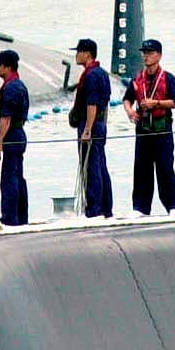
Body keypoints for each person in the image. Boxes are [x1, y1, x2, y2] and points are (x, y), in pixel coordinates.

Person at [123, 37, 175, 215]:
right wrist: (130, 111)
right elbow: (127, 98)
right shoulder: (137, 79)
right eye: (144, 53)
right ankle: (140, 208)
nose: (145, 56)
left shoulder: (168, 78)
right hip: (143, 130)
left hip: (162, 130)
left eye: (149, 53)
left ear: (159, 55)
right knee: (141, 170)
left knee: (165, 168)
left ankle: (173, 206)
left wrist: (156, 103)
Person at [69, 38, 114, 218]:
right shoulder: (102, 73)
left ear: (87, 54)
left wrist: (87, 130)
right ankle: (106, 207)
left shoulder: (91, 75)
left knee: (90, 167)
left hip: (91, 124)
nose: (76, 55)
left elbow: (92, 104)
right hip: (100, 123)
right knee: (100, 165)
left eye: (79, 51)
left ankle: (94, 209)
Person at [0, 50, 31, 226]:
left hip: (11, 135)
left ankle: (10, 217)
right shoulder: (19, 85)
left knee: (9, 178)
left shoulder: (11, 88)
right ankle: (21, 217)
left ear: (6, 67)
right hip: (18, 133)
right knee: (18, 176)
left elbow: (6, 118)